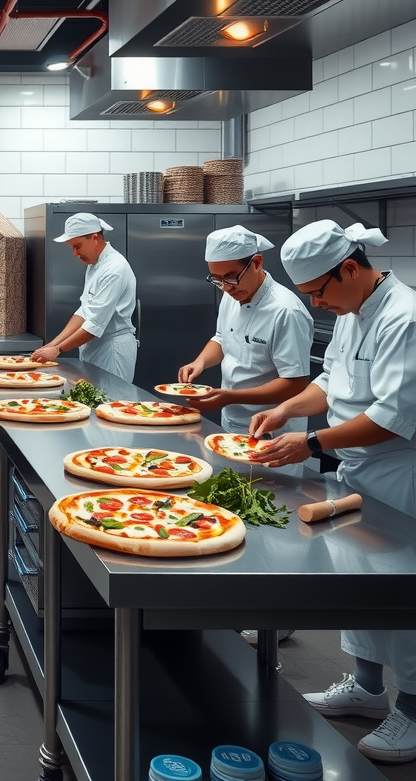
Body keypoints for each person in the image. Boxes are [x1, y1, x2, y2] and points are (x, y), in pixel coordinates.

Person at [249, 220, 416, 764]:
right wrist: (286, 409)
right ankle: (367, 688)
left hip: (400, 472)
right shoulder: (353, 310)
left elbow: (392, 418)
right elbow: (330, 382)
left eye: (318, 292)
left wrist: (312, 442)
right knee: (361, 583)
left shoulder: (404, 318)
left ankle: (414, 710)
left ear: (350, 268)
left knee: (401, 592)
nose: (316, 304)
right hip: (358, 468)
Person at [178, 225, 313, 437]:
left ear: (257, 263)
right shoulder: (232, 294)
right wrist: (200, 362)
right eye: (217, 279)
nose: (226, 287)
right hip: (231, 418)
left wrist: (232, 397)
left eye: (231, 277)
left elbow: (295, 383)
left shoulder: (286, 311)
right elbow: (222, 338)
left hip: (272, 428)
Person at [30, 212, 137, 383]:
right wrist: (53, 344)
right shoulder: (95, 265)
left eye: (77, 246)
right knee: (92, 397)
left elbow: (94, 325)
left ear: (94, 238)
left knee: (112, 397)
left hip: (112, 351)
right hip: (95, 347)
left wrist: (58, 350)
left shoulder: (114, 269)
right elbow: (84, 311)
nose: (74, 253)